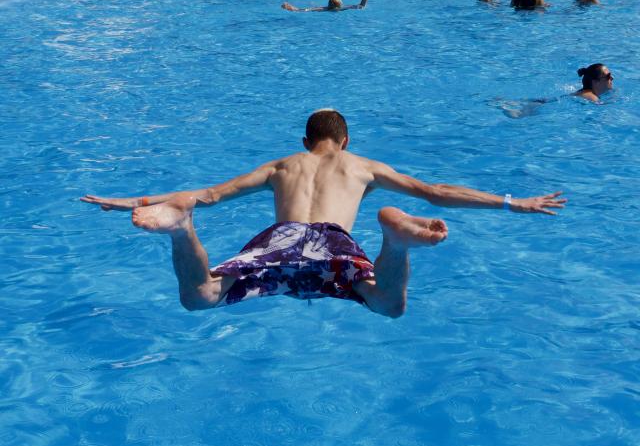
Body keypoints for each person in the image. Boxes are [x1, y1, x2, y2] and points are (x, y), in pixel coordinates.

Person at [81, 109, 565, 318]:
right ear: (345, 141)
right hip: (333, 242)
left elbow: (206, 194)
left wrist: (137, 201)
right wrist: (511, 201)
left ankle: (180, 232)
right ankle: (393, 239)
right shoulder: (363, 166)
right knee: (388, 305)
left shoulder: (282, 164)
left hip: (281, 240)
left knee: (200, 297)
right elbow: (434, 192)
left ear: (305, 143)